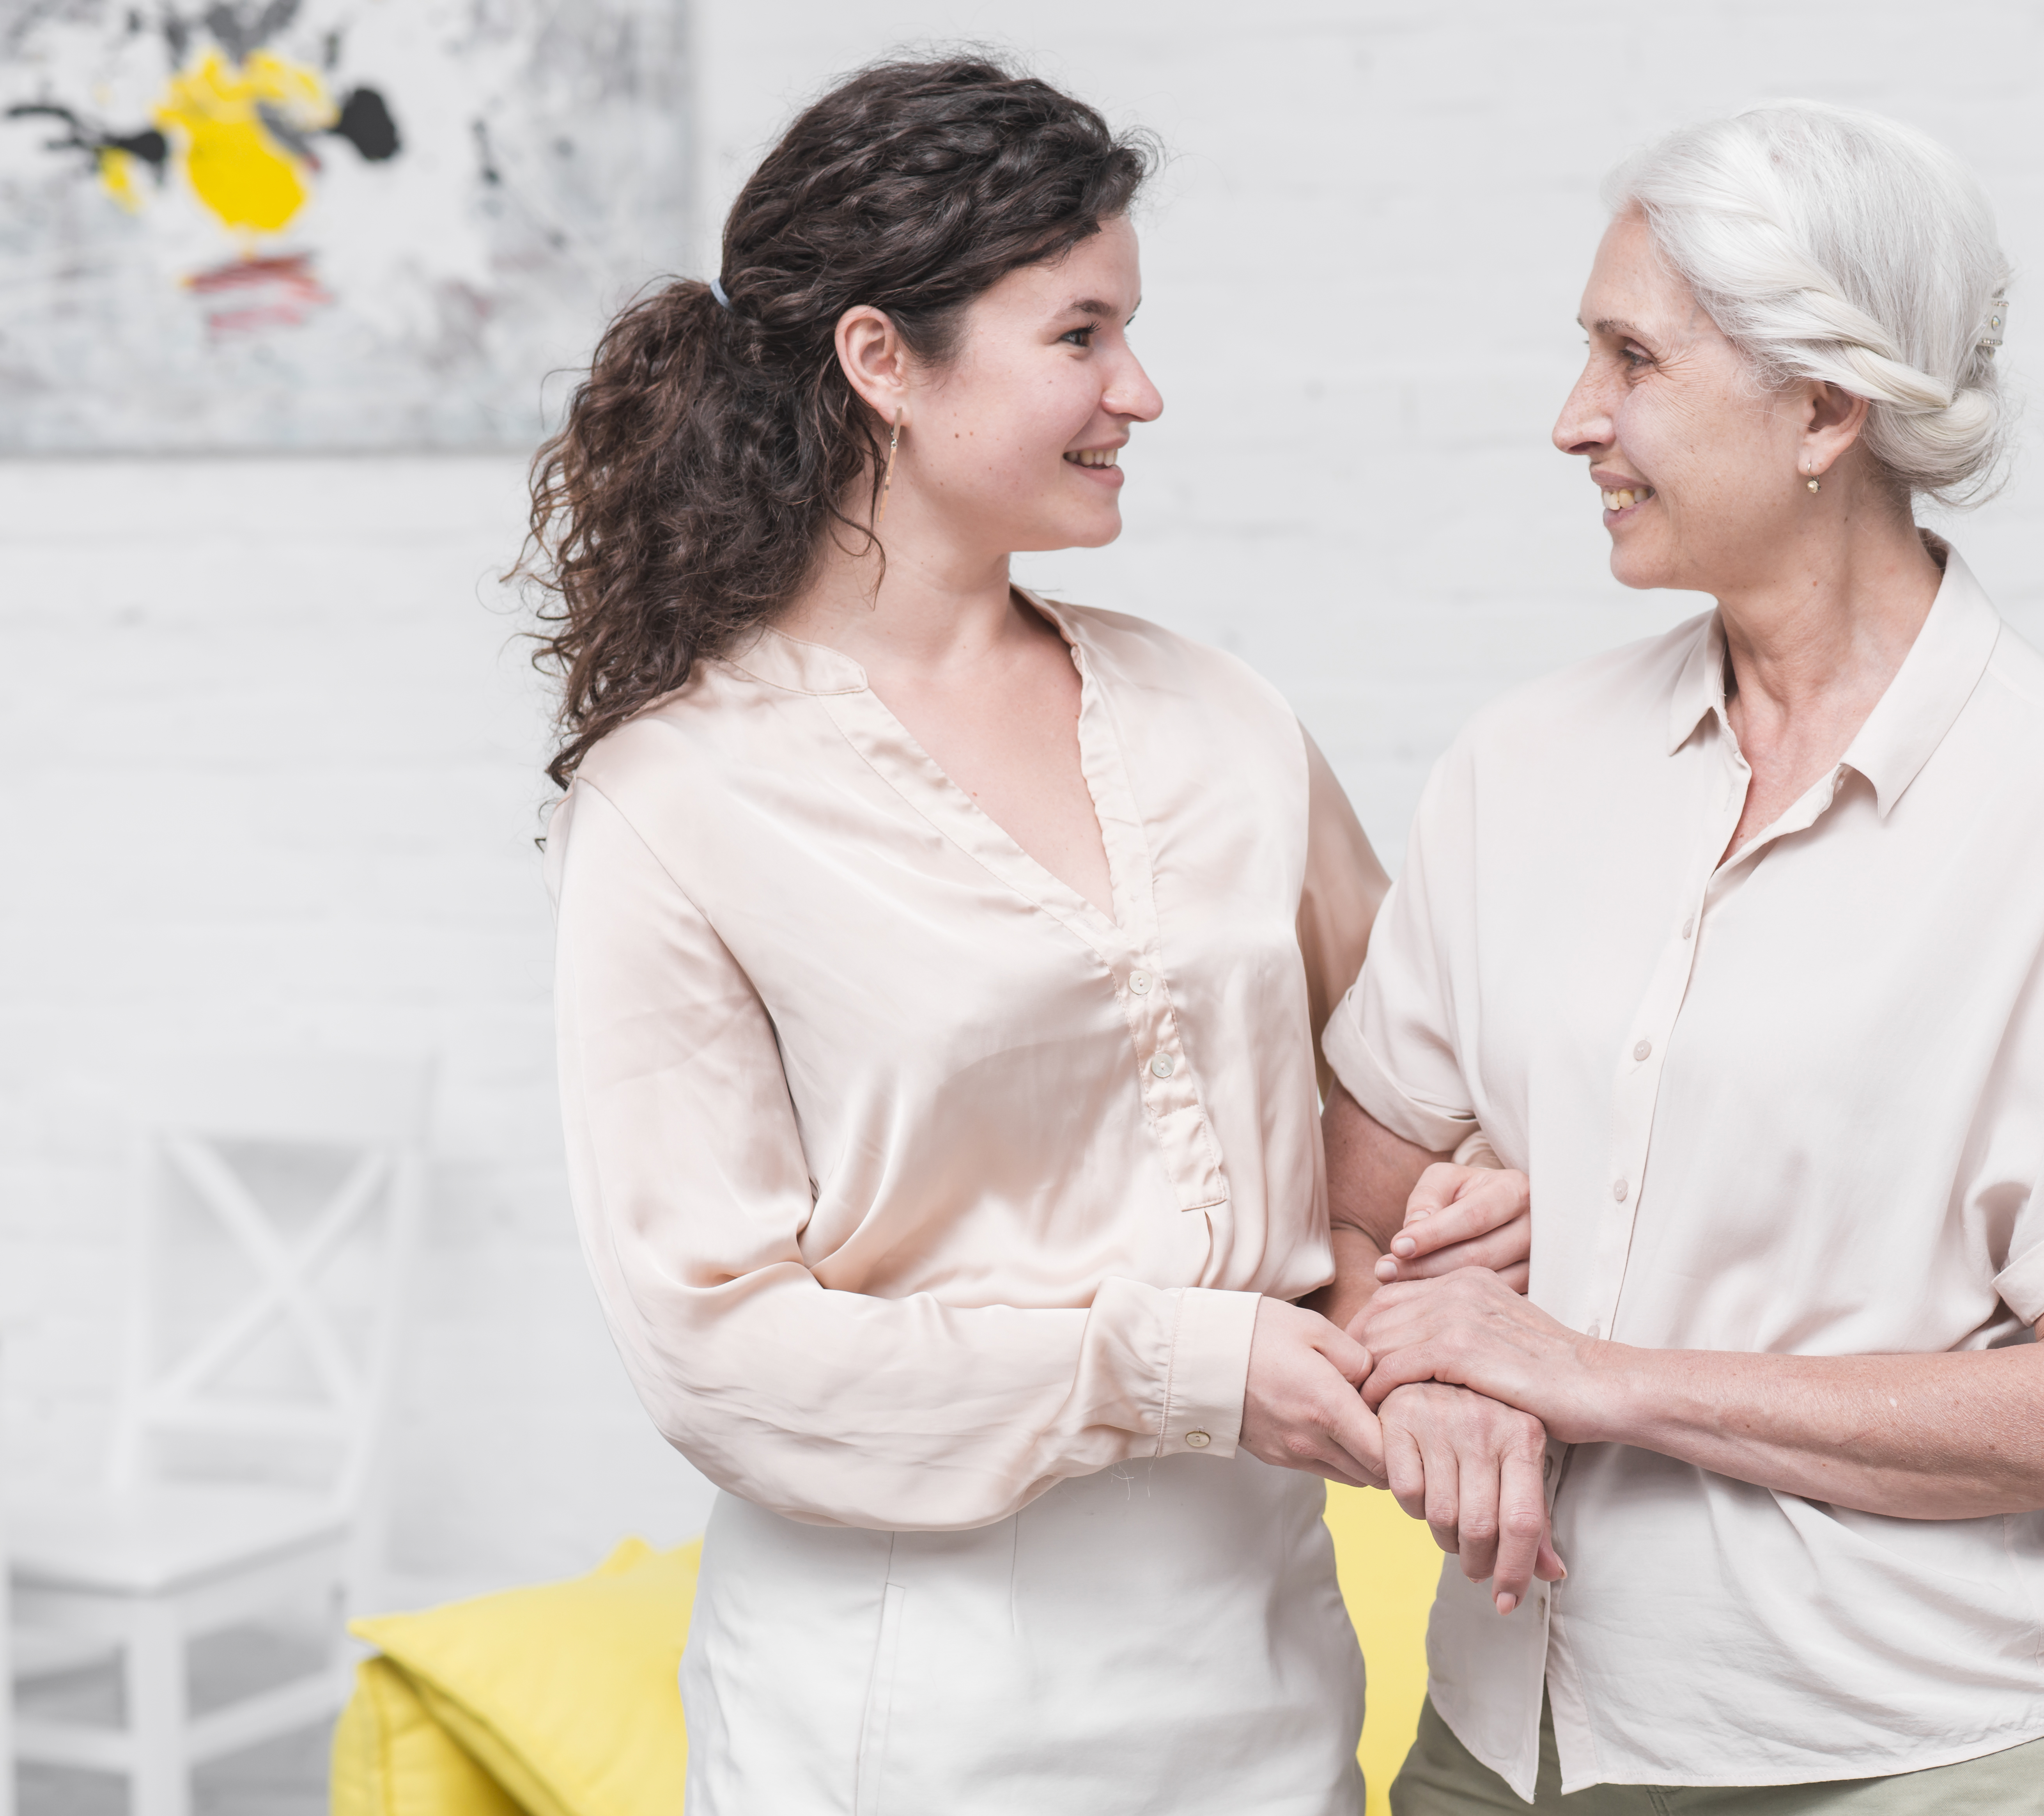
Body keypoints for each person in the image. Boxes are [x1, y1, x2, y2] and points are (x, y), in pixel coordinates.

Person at [525, 57, 1509, 1815]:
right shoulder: (679, 799)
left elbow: (1410, 1102)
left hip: (1262, 1683)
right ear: (881, 361)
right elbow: (719, 1351)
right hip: (905, 1717)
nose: (1139, 390)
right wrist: (1183, 1364)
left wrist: (1448, 1266)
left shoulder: (1218, 720)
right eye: (1079, 335)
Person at [1319, 101, 2044, 1814]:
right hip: (1507, 1752)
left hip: (1937, 1758)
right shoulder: (1517, 766)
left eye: (1632, 359)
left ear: (1825, 408)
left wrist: (1593, 1374)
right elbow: (1342, 1211)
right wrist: (1438, 1330)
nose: (1572, 421)